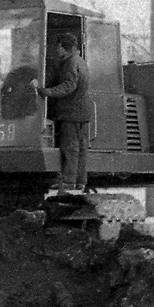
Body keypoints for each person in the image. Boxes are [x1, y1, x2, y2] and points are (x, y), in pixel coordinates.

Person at [32, 33, 90, 192]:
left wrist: (47, 92)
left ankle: (69, 182)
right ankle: (80, 182)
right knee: (81, 149)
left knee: (70, 148)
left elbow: (68, 86)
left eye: (58, 47)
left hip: (71, 113)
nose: (56, 50)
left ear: (65, 48)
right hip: (82, 113)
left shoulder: (71, 64)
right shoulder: (81, 62)